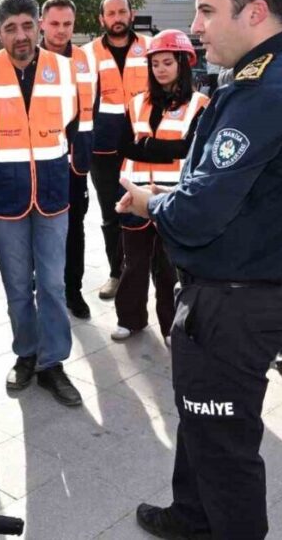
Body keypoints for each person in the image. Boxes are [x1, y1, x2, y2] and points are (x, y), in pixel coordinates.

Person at [120, 0, 282, 538]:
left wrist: (148, 200)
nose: (195, 28)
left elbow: (195, 216)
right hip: (258, 277)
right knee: (201, 422)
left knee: (224, 445)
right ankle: (191, 516)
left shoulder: (262, 91)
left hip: (232, 300)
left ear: (255, 11)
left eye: (206, 10)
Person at [0, 0, 83, 407]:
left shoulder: (65, 70)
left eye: (27, 26)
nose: (21, 35)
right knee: (17, 285)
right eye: (10, 28)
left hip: (52, 192)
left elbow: (73, 126)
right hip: (4, 195)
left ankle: (53, 363)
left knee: (52, 284)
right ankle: (26, 354)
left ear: (39, 26)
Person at [113, 30, 208, 343]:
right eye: (155, 64)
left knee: (168, 268)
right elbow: (124, 146)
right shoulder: (136, 102)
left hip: (173, 198)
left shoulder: (200, 104)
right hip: (134, 195)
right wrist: (165, 149)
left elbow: (189, 149)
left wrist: (148, 145)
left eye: (167, 62)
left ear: (183, 63)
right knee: (133, 263)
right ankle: (130, 319)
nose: (160, 69)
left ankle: (171, 326)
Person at [83, 0, 150, 301]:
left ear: (131, 14)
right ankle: (116, 272)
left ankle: (148, 271)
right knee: (112, 213)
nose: (117, 18)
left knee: (149, 208)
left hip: (143, 144)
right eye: (110, 14)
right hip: (103, 148)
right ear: (102, 19)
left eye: (122, 12)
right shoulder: (88, 54)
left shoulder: (149, 46)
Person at [40, 0, 95, 319]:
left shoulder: (86, 60)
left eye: (67, 24)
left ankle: (73, 291)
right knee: (39, 227)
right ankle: (41, 285)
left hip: (75, 164)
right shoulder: (28, 60)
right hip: (38, 162)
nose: (61, 30)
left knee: (75, 228)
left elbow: (93, 111)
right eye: (54, 23)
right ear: (42, 23)